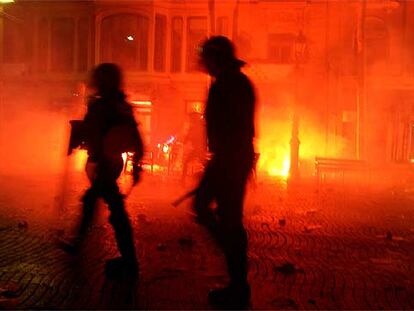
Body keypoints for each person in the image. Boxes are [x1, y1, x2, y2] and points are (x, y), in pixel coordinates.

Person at [62, 63, 143, 280]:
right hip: (107, 161)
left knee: (102, 205)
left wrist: (77, 136)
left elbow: (95, 131)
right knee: (109, 207)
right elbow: (134, 135)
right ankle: (126, 259)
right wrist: (138, 165)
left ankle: (127, 261)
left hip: (106, 163)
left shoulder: (107, 106)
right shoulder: (117, 105)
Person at [193, 36, 255, 308]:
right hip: (232, 157)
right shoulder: (236, 83)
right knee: (222, 215)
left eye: (207, 59)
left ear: (216, 59)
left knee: (219, 214)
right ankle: (236, 271)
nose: (205, 65)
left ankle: (238, 280)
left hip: (230, 158)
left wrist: (222, 161)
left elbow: (232, 128)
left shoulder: (228, 85)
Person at [181, 112, 207, 183]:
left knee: (203, 163)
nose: (190, 120)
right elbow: (188, 137)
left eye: (191, 119)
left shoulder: (196, 127)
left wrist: (185, 140)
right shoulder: (197, 126)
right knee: (187, 162)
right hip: (198, 149)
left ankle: (182, 180)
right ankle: (182, 180)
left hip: (199, 149)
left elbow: (190, 136)